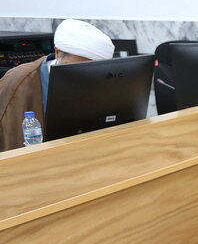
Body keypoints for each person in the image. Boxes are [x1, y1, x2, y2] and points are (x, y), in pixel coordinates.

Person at [0, 18, 114, 152]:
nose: (81, 75)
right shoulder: (21, 80)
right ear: (58, 53)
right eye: (75, 67)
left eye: (90, 70)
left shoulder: (102, 80)